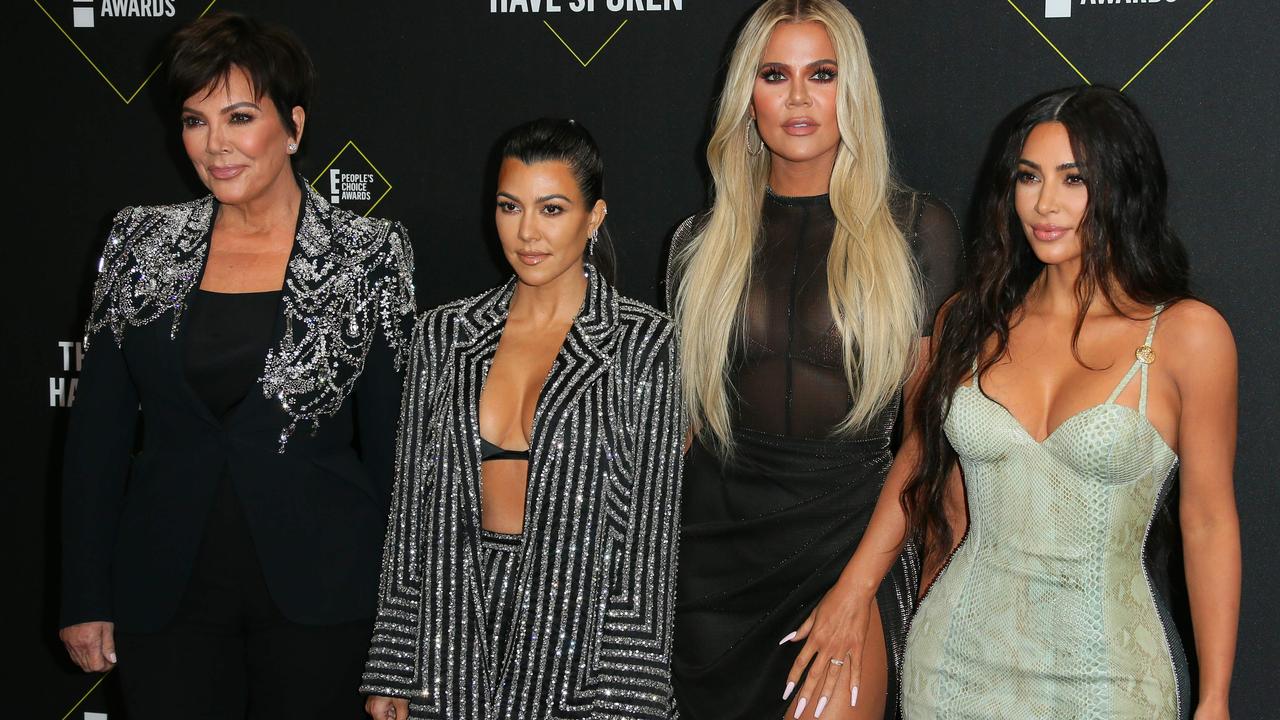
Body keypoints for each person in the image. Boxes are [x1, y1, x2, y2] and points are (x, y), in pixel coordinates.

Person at [57, 12, 417, 719]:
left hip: (326, 593)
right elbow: (95, 439)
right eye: (195, 121)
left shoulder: (368, 252)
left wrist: (403, 631)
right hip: (165, 592)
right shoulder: (140, 242)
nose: (215, 144)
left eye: (240, 116)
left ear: (293, 127)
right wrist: (84, 594)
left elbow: (397, 454)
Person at [895, 86, 1240, 718]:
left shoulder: (1187, 336)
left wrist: (1215, 698)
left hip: (1109, 675)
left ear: (1122, 188)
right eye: (1029, 177)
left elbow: (1210, 523)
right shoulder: (969, 322)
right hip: (955, 662)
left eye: (1073, 179)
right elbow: (935, 500)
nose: (1045, 204)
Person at [665, 1, 962, 718]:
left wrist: (857, 589)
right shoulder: (697, 245)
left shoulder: (916, 230)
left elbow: (925, 437)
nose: (798, 97)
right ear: (747, 96)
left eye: (821, 74)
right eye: (775, 74)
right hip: (710, 562)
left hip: (848, 540)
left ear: (851, 89)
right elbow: (686, 431)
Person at [362, 119, 685, 720]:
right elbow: (410, 510)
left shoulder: (644, 344)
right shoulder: (443, 335)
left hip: (579, 644)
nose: (528, 232)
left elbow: (648, 540)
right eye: (510, 207)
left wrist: (628, 693)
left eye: (552, 209)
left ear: (594, 218)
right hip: (447, 631)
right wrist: (394, 662)